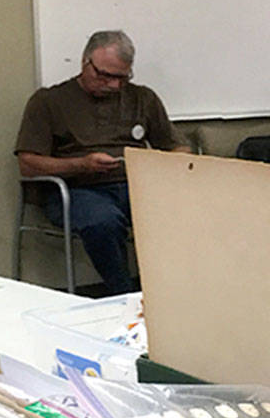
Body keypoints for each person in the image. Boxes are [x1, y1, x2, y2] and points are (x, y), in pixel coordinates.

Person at [15, 29, 181, 294]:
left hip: (134, 186)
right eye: (105, 76)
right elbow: (28, 164)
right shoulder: (48, 101)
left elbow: (176, 148)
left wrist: (157, 164)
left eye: (122, 78)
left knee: (179, 210)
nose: (114, 85)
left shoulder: (143, 98)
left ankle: (175, 291)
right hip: (75, 190)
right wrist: (81, 164)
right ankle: (123, 295)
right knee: (102, 220)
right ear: (85, 63)